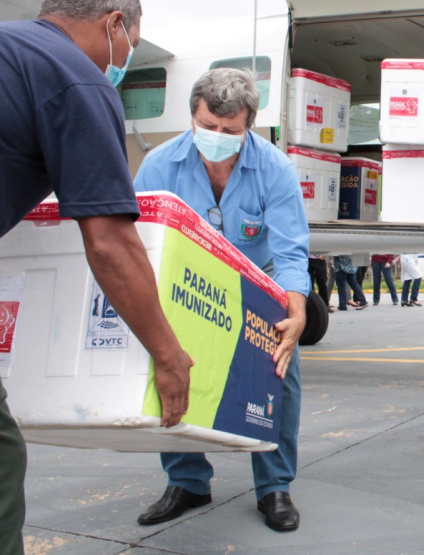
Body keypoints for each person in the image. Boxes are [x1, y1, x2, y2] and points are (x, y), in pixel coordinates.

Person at [0, 1, 194, 552]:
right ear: (114, 24)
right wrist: (167, 354)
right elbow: (110, 241)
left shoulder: (11, 48)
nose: (124, 57)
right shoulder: (77, 79)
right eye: (132, 41)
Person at [134, 68, 310, 532]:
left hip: (258, 281)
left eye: (230, 131)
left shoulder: (275, 169)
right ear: (192, 116)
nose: (217, 136)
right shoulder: (159, 165)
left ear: (250, 124)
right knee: (171, 370)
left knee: (279, 375)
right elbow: (141, 239)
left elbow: (291, 251)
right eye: (207, 126)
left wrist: (296, 312)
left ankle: (274, 486)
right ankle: (187, 479)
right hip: (184, 282)